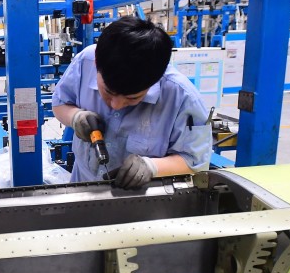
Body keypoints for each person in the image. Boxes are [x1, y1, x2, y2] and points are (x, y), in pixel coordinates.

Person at [52, 16, 212, 190]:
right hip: (81, 187)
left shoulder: (181, 97)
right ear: (97, 64)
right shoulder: (86, 61)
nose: (116, 105)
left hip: (141, 204)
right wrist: (75, 117)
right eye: (108, 92)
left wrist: (152, 167)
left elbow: (196, 162)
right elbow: (60, 103)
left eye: (133, 98)